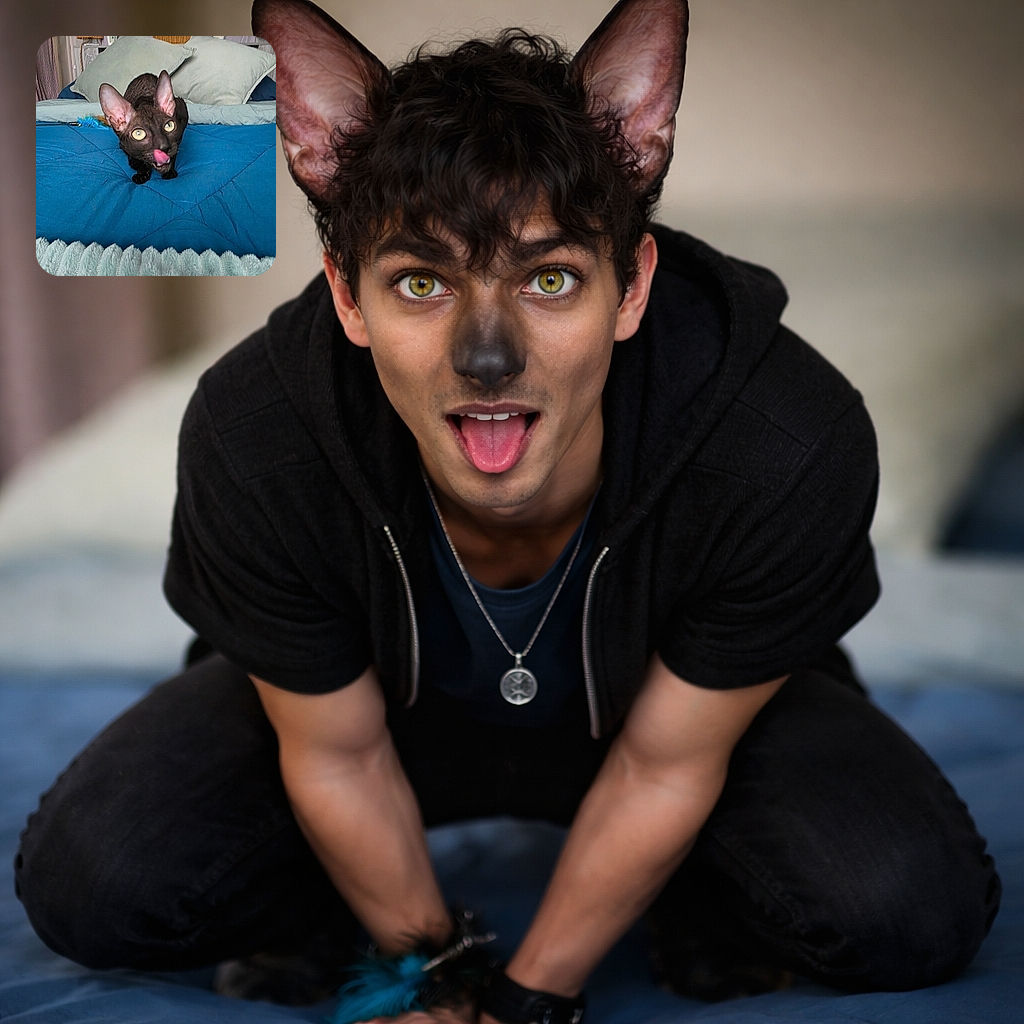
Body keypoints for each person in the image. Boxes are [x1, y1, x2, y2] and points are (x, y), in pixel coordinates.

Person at [15, 1, 1000, 1021]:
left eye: (552, 275)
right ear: (348, 299)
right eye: (421, 280)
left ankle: (697, 886)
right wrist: (439, 978)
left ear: (630, 290)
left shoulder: (782, 434)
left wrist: (528, 1000)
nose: (488, 357)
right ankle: (321, 897)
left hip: (672, 712)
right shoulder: (254, 433)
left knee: (905, 911)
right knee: (97, 881)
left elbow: (669, 763)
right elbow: (337, 753)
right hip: (366, 721)